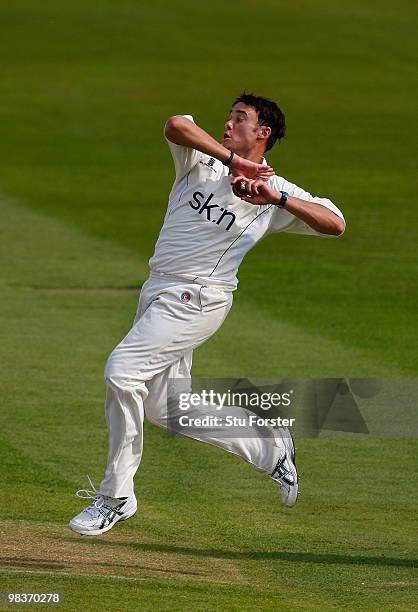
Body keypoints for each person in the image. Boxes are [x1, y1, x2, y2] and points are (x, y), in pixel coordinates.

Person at [69, 93, 345, 536]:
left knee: (122, 372)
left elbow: (335, 223)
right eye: (228, 117)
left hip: (198, 298)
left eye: (240, 120)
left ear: (263, 133)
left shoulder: (275, 190)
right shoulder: (201, 159)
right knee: (166, 408)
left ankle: (115, 496)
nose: (228, 124)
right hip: (157, 287)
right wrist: (234, 160)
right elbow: (176, 123)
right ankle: (269, 448)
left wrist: (276, 199)